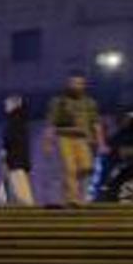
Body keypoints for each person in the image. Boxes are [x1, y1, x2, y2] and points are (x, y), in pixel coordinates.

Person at [44, 71, 104, 206]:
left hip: (83, 139)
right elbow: (51, 123)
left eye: (80, 83)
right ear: (68, 84)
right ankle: (73, 198)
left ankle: (73, 193)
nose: (77, 86)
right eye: (74, 83)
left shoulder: (89, 102)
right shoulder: (59, 102)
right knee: (70, 168)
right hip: (65, 138)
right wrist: (48, 142)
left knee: (86, 167)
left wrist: (101, 142)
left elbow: (96, 123)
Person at [0, 95, 35, 206]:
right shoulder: (20, 121)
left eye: (7, 104)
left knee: (20, 189)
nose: (5, 106)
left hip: (15, 161)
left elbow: (11, 139)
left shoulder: (15, 121)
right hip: (17, 160)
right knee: (11, 186)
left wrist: (5, 152)